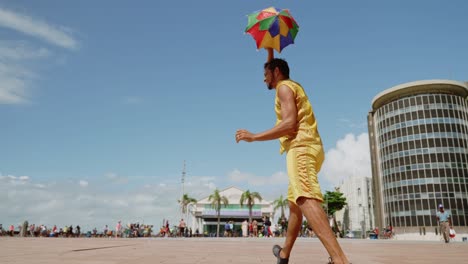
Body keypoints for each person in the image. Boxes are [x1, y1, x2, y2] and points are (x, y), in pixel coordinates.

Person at [235, 48, 350, 264]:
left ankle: (340, 260)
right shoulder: (291, 84)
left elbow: (289, 124)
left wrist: (254, 136)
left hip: (301, 148)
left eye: (265, 75)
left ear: (276, 72)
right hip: (311, 148)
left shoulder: (284, 89)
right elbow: (272, 66)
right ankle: (285, 253)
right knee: (294, 204)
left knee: (305, 197)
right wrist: (270, 49)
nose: (263, 80)